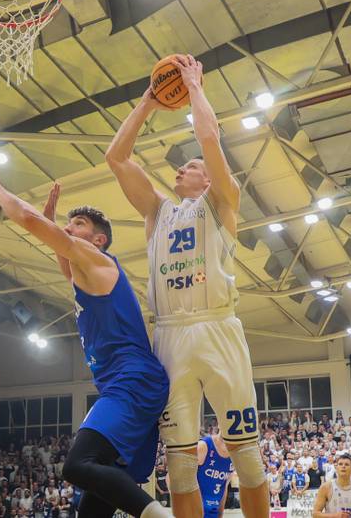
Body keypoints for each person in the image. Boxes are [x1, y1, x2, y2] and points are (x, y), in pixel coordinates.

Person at [105, 53, 268, 518]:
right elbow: (116, 157)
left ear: (207, 176)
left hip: (218, 328)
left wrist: (194, 87)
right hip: (170, 334)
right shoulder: (158, 212)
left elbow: (210, 136)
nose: (181, 170)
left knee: (248, 458)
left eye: (191, 166)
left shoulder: (222, 202)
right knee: (177, 469)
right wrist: (148, 102)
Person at [0, 159, 170, 518]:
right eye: (67, 226)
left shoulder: (99, 260)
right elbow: (63, 261)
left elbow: (29, 221)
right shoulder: (85, 273)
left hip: (131, 382)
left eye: (78, 225)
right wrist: (54, 223)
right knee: (91, 510)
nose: (68, 231)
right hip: (130, 383)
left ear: (98, 240)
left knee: (77, 466)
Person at [196, 434, 232, 518]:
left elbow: (224, 486)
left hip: (213, 513)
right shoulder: (203, 446)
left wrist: (220, 515)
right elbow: (173, 478)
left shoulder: (235, 455)